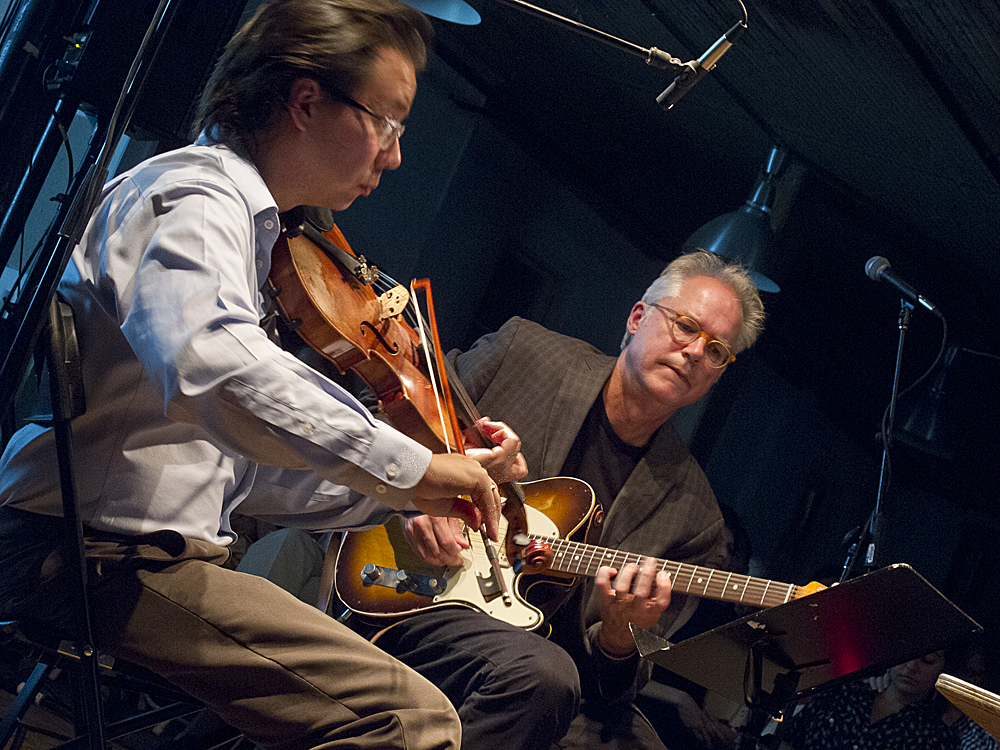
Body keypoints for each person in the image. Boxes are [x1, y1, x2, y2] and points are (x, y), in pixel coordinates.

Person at [0, 1, 524, 748]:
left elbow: (240, 459)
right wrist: (409, 468)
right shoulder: (195, 198)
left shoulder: (242, 228)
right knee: (410, 719)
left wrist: (399, 496)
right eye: (388, 122)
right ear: (307, 101)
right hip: (92, 560)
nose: (396, 155)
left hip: (129, 558)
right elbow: (215, 373)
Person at [333, 249, 765, 749]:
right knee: (547, 676)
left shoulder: (695, 520)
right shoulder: (527, 352)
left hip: (563, 685)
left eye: (716, 351)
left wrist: (621, 634)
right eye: (686, 326)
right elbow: (378, 416)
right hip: (419, 593)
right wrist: (416, 496)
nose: (694, 352)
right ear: (638, 317)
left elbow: (618, 686)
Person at [779, 651, 957, 750]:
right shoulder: (844, 691)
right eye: (908, 654)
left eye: (928, 660)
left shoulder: (936, 737)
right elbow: (788, 739)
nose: (912, 666)